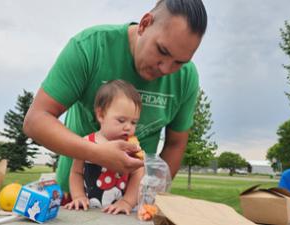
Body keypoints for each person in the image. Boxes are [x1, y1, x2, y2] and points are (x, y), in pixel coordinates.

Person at [24, 0, 207, 195]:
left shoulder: (187, 77)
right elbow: (36, 120)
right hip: (76, 196)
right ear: (145, 24)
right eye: (162, 51)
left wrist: (149, 194)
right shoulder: (91, 47)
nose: (166, 69)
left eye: (179, 62)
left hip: (131, 203)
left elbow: (175, 143)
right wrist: (96, 153)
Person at [64, 80, 144, 215]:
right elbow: (76, 173)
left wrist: (127, 202)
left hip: (119, 214)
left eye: (134, 122)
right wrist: (78, 197)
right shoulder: (87, 143)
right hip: (89, 211)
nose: (128, 127)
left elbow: (138, 174)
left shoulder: (131, 147)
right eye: (121, 120)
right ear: (101, 115)